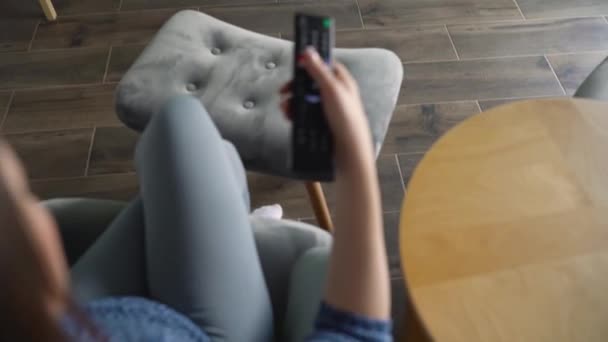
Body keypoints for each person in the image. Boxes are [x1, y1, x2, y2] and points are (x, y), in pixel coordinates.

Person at [0, 47, 391, 341]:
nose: (37, 210)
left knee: (180, 121)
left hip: (77, 319)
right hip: (196, 332)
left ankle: (238, 224)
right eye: (22, 198)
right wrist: (353, 153)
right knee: (191, 134)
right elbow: (355, 332)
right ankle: (239, 226)